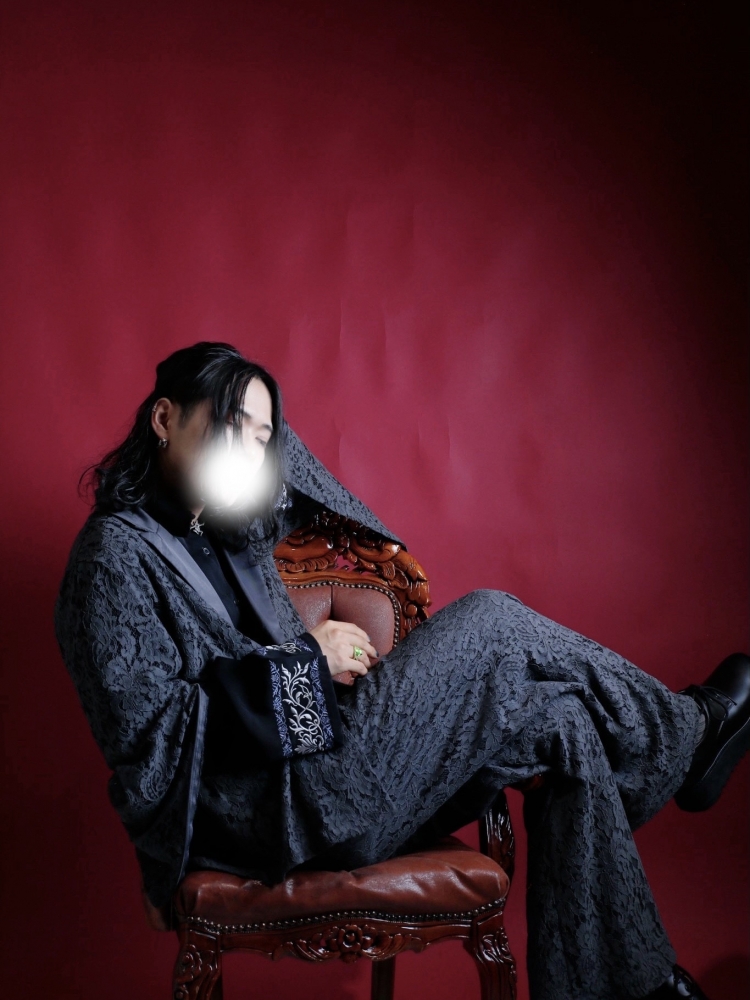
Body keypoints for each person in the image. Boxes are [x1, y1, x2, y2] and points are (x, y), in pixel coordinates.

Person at [54, 342, 749, 1000]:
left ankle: (637, 987)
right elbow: (153, 742)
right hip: (279, 813)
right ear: (164, 417)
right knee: (490, 619)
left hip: (335, 778)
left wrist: (258, 425)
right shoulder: (111, 558)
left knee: (562, 722)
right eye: (230, 423)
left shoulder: (227, 534)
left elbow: (296, 472)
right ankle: (690, 734)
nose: (250, 450)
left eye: (262, 437)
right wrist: (305, 661)